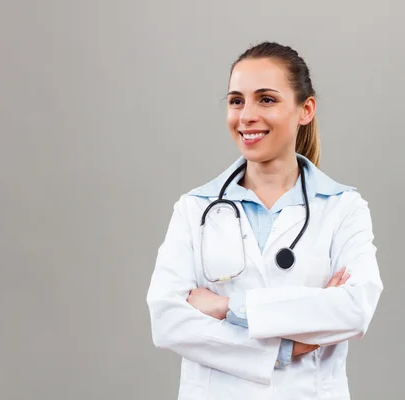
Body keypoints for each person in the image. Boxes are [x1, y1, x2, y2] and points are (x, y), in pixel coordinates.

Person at [146, 41, 383, 400]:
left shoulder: (342, 208)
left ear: (306, 110)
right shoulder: (195, 209)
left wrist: (230, 308)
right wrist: (284, 349)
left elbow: (353, 308)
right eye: (236, 100)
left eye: (266, 99)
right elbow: (167, 321)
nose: (246, 116)